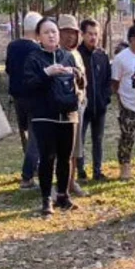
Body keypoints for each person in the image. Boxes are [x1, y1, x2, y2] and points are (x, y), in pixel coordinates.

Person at [22, 17, 85, 216]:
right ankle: (46, 199)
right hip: (44, 115)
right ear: (38, 36)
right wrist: (46, 73)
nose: (52, 35)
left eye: (54, 32)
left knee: (66, 158)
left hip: (68, 114)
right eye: (47, 32)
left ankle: (63, 196)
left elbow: (81, 84)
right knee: (48, 158)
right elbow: (28, 85)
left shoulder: (67, 56)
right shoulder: (33, 58)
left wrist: (76, 73)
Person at [6, 12, 43, 190]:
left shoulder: (12, 46)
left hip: (17, 96)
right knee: (35, 137)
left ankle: (32, 166)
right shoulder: (37, 50)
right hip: (34, 97)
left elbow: (8, 69)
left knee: (26, 134)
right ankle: (27, 176)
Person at [111, 23, 135, 181]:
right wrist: (121, 100)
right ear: (132, 39)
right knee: (127, 137)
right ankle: (125, 167)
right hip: (128, 104)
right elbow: (115, 82)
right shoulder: (121, 58)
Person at [78, 19, 112, 181]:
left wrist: (105, 99)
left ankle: (97, 171)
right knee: (80, 140)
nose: (93, 37)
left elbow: (107, 80)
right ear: (82, 35)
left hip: (100, 107)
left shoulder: (102, 55)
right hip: (82, 107)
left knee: (98, 140)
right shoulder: (76, 55)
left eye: (96, 34)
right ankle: (80, 171)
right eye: (90, 34)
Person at [59, 14, 88, 197]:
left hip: (78, 105)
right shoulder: (55, 54)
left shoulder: (76, 54)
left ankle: (71, 181)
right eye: (66, 32)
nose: (70, 36)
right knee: (61, 149)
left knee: (76, 148)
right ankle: (60, 185)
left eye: (73, 32)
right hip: (61, 108)